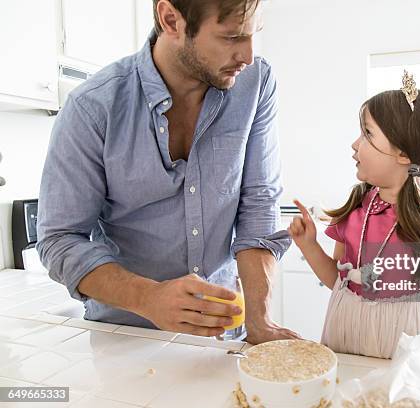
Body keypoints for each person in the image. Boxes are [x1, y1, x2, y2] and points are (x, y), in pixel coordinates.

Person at [36, 0, 298, 344]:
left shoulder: (256, 84)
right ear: (171, 19)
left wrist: (259, 319)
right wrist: (149, 297)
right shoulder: (93, 107)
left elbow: (259, 204)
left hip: (223, 334)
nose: (248, 56)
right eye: (231, 37)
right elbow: (59, 239)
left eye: (253, 35)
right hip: (125, 336)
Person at [288, 72, 420, 366]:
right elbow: (339, 282)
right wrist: (308, 245)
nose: (355, 144)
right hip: (347, 335)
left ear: (404, 154)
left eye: (368, 133)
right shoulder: (356, 208)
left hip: (411, 344)